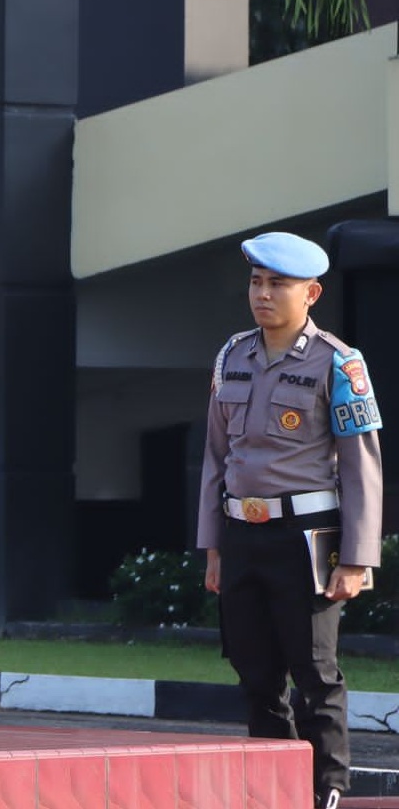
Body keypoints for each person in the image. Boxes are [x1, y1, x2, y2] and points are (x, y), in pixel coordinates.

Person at [198, 232, 383, 809]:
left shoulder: (339, 362)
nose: (263, 293)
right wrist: (214, 547)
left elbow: (361, 469)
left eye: (278, 283)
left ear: (312, 292)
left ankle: (327, 789)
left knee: (315, 673)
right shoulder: (231, 355)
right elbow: (215, 457)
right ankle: (273, 790)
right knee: (254, 672)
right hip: (242, 534)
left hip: (310, 537)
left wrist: (356, 559)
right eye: (257, 281)